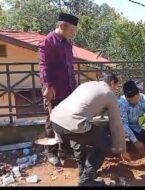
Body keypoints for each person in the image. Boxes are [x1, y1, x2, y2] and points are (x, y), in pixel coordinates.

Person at [49, 73, 131, 186]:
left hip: (55, 121)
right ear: (111, 82)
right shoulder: (109, 93)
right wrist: (122, 149)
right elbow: (116, 125)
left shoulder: (87, 85)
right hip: (73, 123)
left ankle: (82, 172)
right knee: (105, 142)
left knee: (78, 138)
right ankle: (86, 180)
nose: (116, 89)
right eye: (116, 86)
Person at [38, 12, 79, 165]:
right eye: (71, 30)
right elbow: (44, 67)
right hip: (54, 91)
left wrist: (73, 88)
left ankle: (66, 150)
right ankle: (51, 153)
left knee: (66, 121)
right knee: (51, 122)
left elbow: (69, 67)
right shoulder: (47, 42)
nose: (72, 33)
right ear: (62, 26)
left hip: (68, 90)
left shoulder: (67, 44)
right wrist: (47, 86)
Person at [118, 80, 145, 154]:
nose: (133, 102)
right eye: (130, 100)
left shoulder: (144, 99)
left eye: (135, 99)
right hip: (129, 128)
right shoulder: (121, 103)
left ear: (138, 94)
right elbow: (124, 124)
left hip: (141, 127)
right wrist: (135, 142)